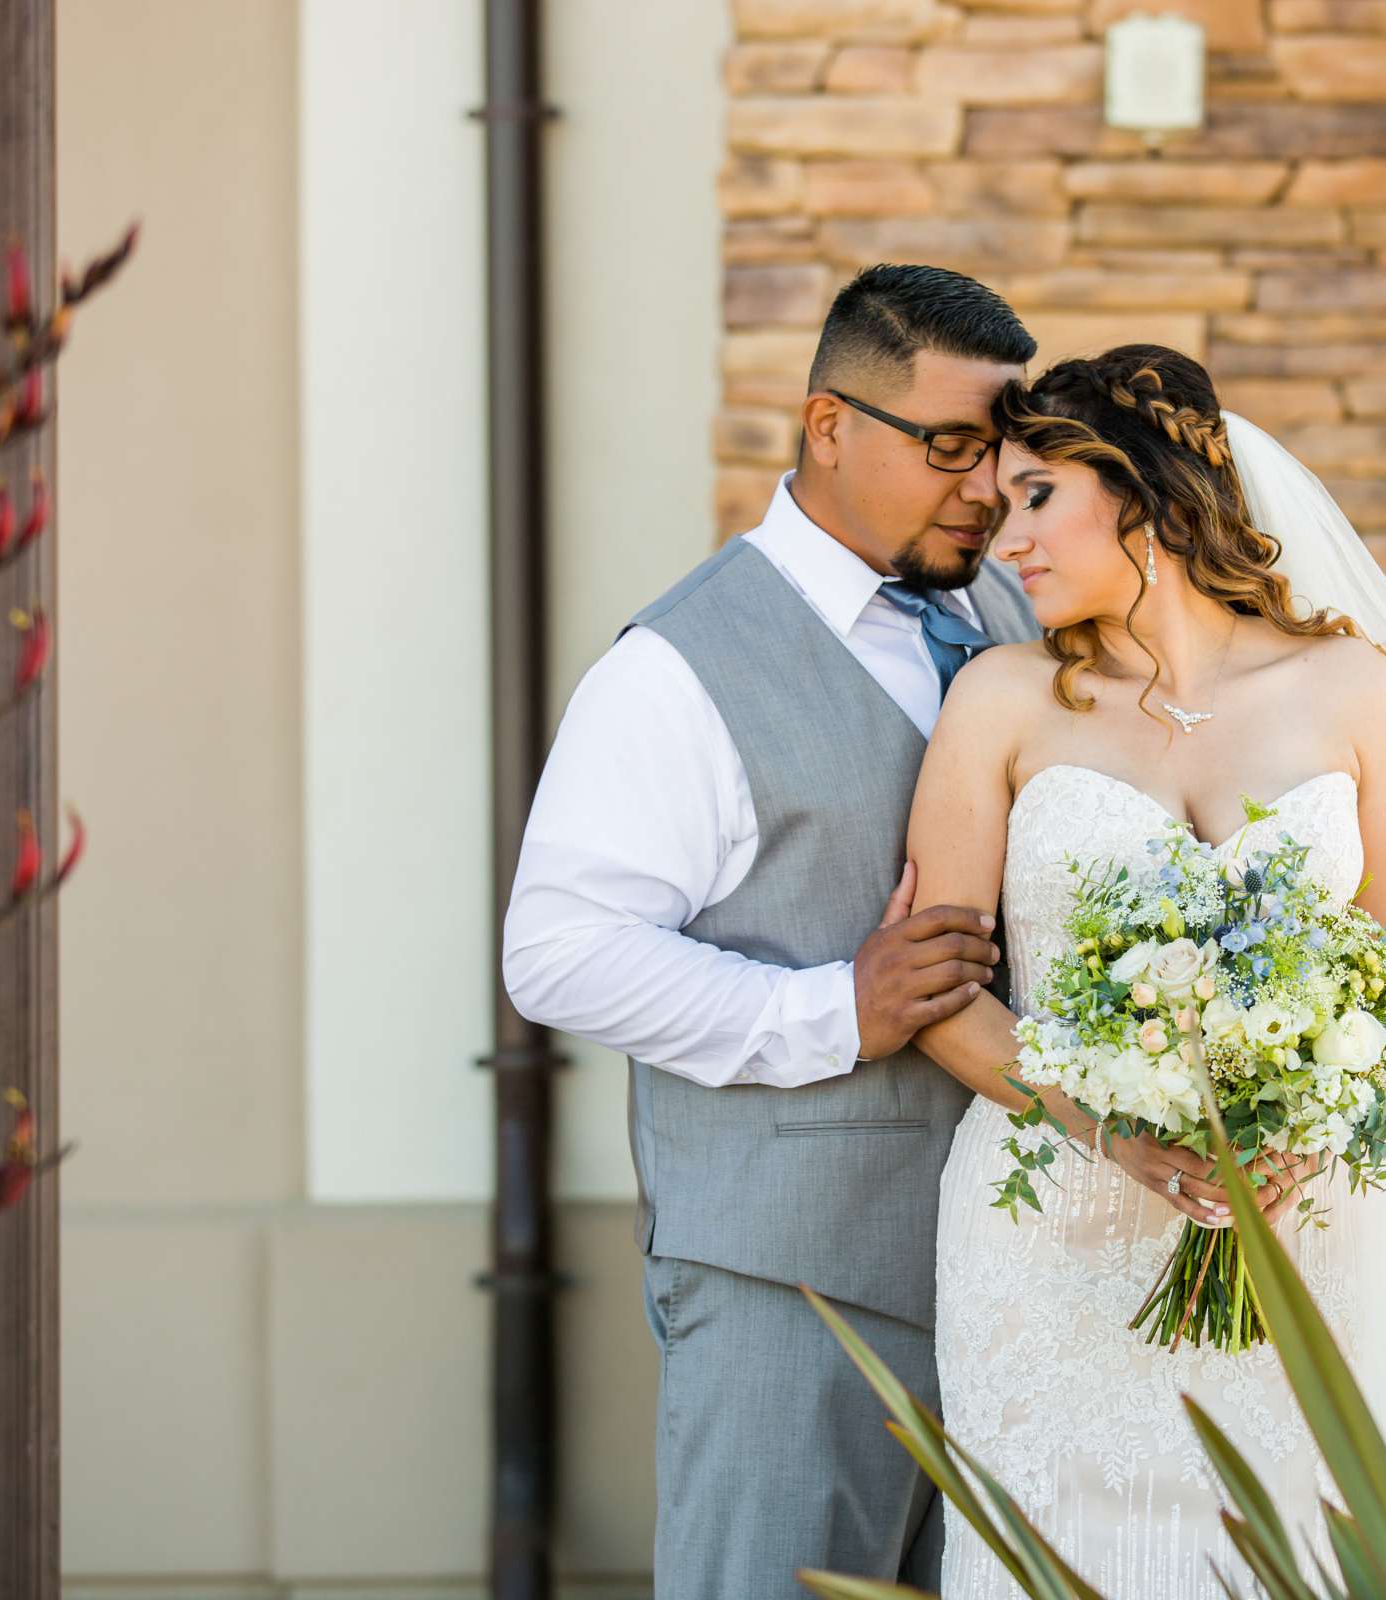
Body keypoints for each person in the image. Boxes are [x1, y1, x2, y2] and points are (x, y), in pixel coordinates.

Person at [903, 345, 1386, 1597]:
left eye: (1035, 496)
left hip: (1306, 1224)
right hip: (1051, 1224)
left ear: (1142, 493)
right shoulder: (999, 699)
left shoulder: (1358, 689)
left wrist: (1304, 1131)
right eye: (998, 510)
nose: (1008, 542)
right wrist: (1113, 1130)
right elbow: (940, 991)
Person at [501, 264, 1043, 1597]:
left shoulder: (1011, 618)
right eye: (951, 449)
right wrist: (830, 1011)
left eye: (1002, 453)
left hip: (1012, 1280)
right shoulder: (676, 669)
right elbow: (557, 949)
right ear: (828, 428)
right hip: (785, 1285)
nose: (985, 488)